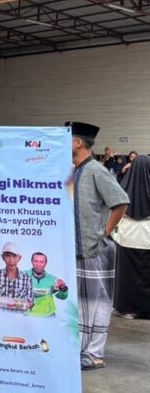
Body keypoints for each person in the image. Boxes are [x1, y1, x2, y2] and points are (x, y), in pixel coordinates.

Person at [66, 121, 129, 370]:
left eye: (68, 138)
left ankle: (94, 354)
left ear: (78, 142)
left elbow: (121, 202)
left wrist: (105, 232)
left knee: (98, 301)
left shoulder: (95, 170)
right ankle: (82, 349)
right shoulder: (75, 170)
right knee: (82, 302)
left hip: (95, 248)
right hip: (79, 249)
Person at [113, 154, 150, 319]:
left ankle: (126, 308)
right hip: (147, 234)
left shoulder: (123, 186)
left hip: (128, 235)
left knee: (127, 275)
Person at [0, 242, 34, 307]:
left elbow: (30, 300)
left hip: (18, 313)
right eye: (8, 256)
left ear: (19, 258)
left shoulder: (27, 279)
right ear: (2, 257)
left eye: (14, 256)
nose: (11, 260)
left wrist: (28, 304)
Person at [24, 252, 68, 318]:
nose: (38, 264)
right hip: (27, 316)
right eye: (35, 261)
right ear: (31, 261)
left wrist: (63, 288)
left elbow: (62, 297)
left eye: (41, 262)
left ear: (45, 263)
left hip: (48, 316)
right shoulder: (22, 275)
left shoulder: (53, 279)